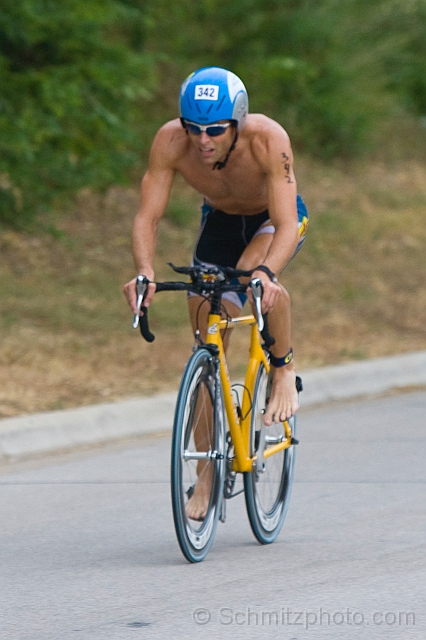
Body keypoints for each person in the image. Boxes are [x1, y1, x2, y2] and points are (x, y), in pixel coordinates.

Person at [123, 66, 308, 520]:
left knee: (252, 279)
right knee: (208, 334)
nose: (202, 141)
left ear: (238, 122)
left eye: (215, 130)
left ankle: (282, 368)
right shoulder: (170, 142)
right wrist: (144, 271)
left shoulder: (268, 139)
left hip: (272, 221)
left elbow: (287, 223)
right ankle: (207, 473)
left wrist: (266, 271)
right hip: (222, 222)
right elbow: (148, 216)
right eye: (193, 128)